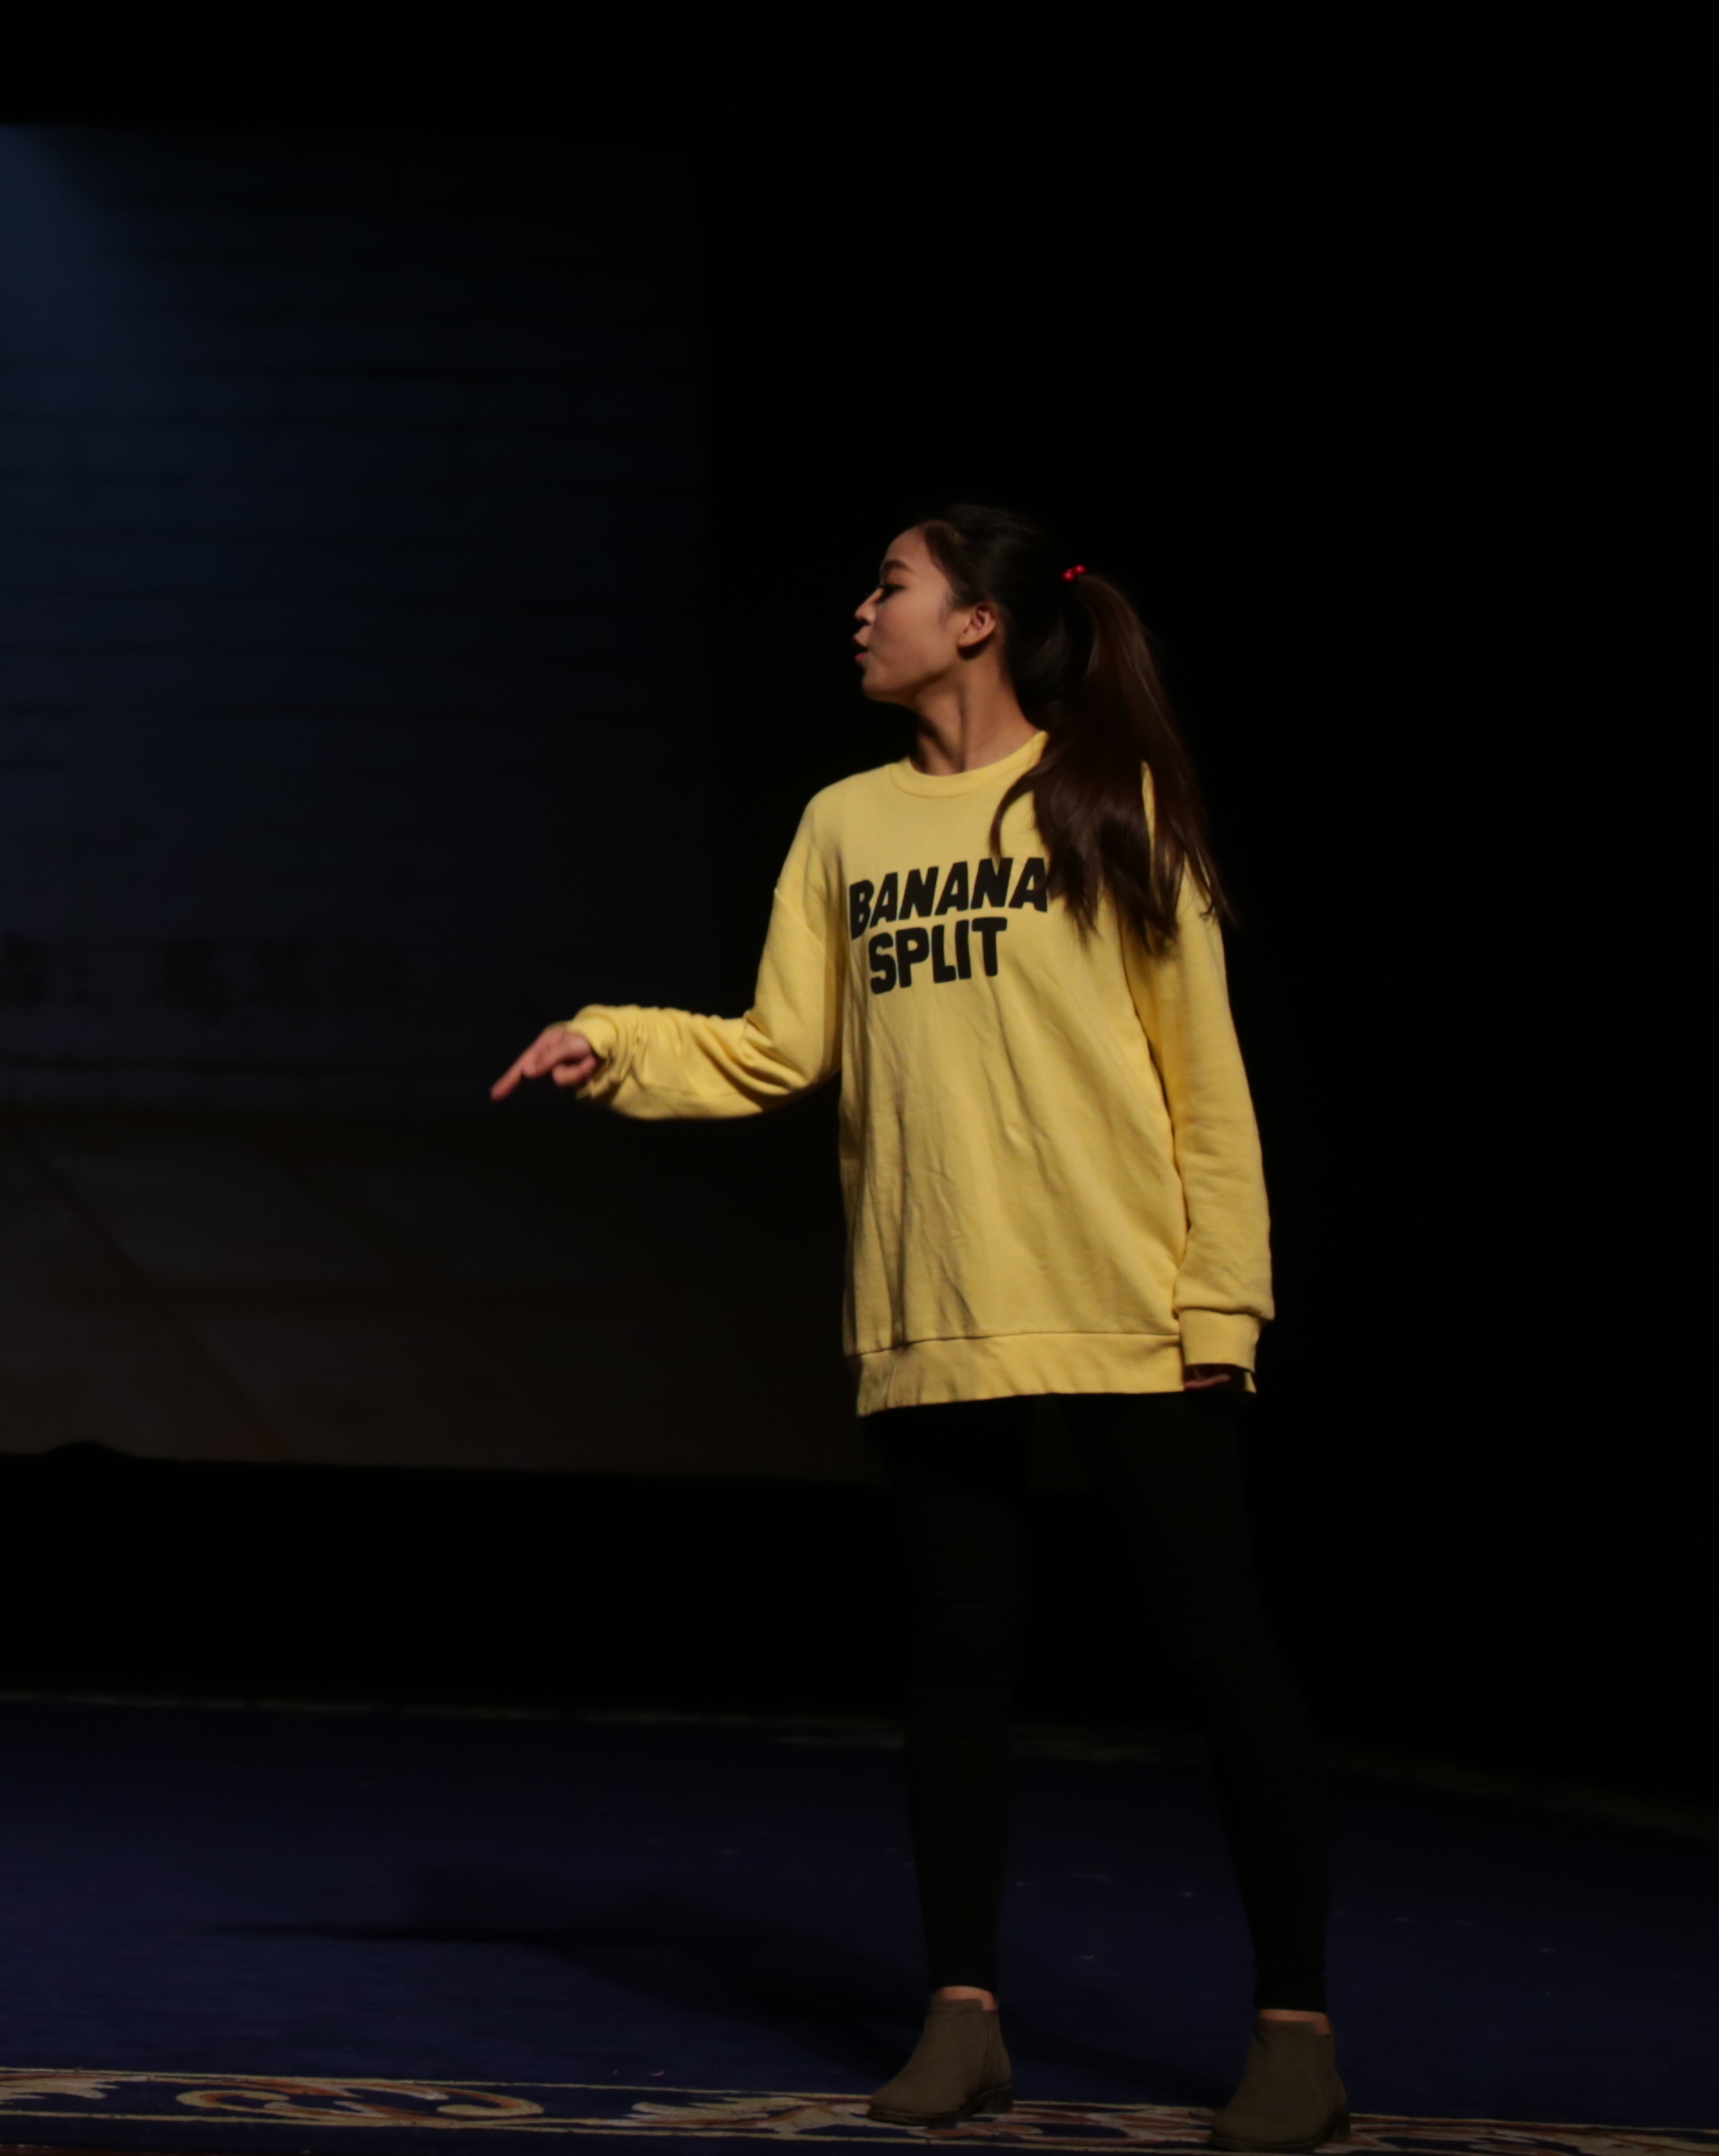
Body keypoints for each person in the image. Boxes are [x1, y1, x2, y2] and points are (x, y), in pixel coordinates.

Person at [495, 506, 1339, 2147]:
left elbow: (1207, 1079)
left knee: (1219, 1651)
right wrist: (617, 1042)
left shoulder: (1109, 801)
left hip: (1126, 1304)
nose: (861, 609)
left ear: (978, 622)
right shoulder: (845, 822)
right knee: (957, 1666)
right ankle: (961, 2019)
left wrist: (1220, 1302)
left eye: (891, 583)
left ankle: (1296, 2034)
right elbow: (778, 1046)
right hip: (933, 1300)